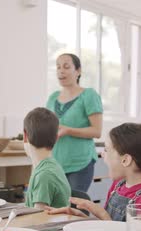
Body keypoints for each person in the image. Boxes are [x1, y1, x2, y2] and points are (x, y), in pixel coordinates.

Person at [47, 123, 141, 227]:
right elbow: (106, 228)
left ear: (125, 160)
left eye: (106, 149)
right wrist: (82, 217)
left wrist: (101, 213)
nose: (102, 154)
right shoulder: (117, 186)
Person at [46, 53, 103, 193]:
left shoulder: (89, 95)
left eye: (66, 66)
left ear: (78, 71)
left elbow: (97, 131)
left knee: (75, 209)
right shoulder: (53, 98)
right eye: (58, 67)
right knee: (55, 210)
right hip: (55, 163)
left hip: (80, 163)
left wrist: (68, 130)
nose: (61, 70)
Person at [23, 107, 71, 209]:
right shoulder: (52, 166)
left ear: (25, 136)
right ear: (57, 137)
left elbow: (38, 220)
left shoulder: (44, 175)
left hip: (47, 224)